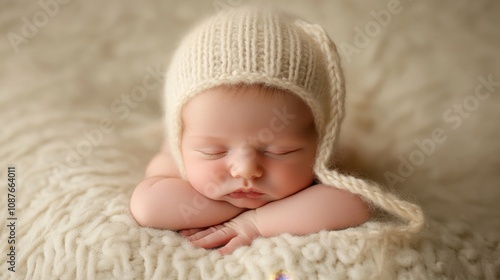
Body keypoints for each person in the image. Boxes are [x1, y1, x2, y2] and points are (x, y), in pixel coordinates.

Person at [130, 6, 423, 255]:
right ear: (180, 138)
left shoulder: (320, 161)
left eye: (279, 151)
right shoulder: (175, 157)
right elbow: (148, 205)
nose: (246, 170)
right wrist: (265, 207)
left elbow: (354, 203)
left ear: (320, 142)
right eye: (213, 151)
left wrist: (254, 222)